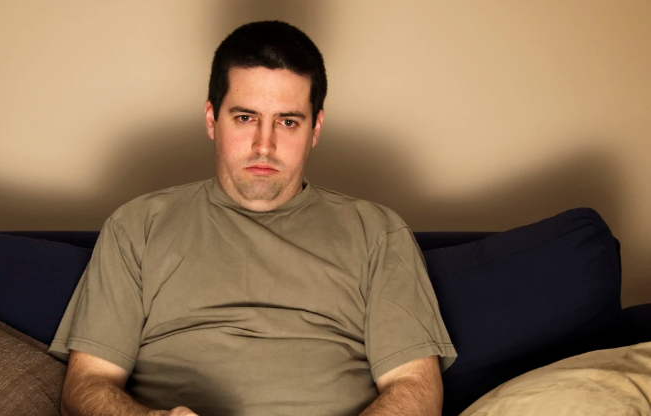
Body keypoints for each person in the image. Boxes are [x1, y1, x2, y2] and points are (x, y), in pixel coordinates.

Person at [49, 20, 457, 416]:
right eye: (245, 118)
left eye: (287, 122)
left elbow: (416, 389)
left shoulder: (378, 232)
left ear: (315, 128)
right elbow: (86, 386)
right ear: (212, 119)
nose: (265, 145)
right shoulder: (136, 226)